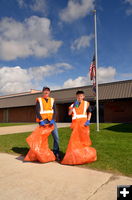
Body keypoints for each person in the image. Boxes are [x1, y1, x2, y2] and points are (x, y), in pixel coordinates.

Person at [61, 90, 97, 165]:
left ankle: (84, 155)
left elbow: (90, 112)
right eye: (78, 96)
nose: (80, 97)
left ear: (83, 97)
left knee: (84, 139)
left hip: (84, 124)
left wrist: (88, 120)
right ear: (76, 97)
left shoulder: (86, 103)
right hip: (76, 124)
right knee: (75, 140)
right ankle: (76, 155)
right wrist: (73, 106)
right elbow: (69, 113)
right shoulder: (73, 104)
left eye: (81, 96)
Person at [36, 86, 60, 161]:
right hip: (43, 121)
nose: (46, 92)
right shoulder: (39, 100)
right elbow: (37, 111)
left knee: (56, 137)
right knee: (43, 138)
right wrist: (40, 120)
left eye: (47, 91)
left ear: (49, 92)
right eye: (45, 91)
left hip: (51, 121)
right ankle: (42, 153)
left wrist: (53, 119)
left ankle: (56, 152)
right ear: (42, 92)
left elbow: (55, 111)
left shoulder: (52, 100)